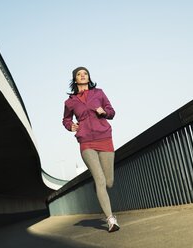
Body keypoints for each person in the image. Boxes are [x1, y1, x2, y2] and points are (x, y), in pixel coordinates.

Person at [62, 66, 120, 232]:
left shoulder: (99, 93)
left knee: (108, 182)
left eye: (85, 74)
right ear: (75, 80)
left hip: (104, 138)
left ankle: (99, 188)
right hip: (86, 141)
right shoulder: (70, 101)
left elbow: (112, 112)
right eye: (79, 74)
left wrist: (104, 112)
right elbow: (66, 119)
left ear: (88, 77)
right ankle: (111, 220)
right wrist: (71, 126)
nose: (82, 76)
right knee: (100, 180)